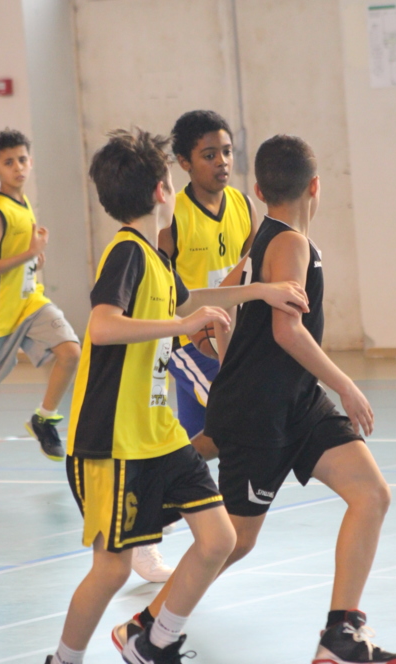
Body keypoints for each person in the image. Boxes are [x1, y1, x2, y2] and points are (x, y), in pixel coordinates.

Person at [114, 135, 396, 664]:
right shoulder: (290, 243)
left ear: (259, 190)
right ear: (315, 187)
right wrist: (346, 384)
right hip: (260, 411)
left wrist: (230, 359)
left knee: (371, 493)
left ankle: (340, 633)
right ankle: (146, 628)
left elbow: (224, 302)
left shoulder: (263, 239)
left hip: (296, 402)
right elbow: (285, 330)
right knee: (234, 539)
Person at [45, 128, 308, 664]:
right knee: (112, 569)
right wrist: (182, 325)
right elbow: (102, 326)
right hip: (113, 441)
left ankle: (153, 641)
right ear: (162, 190)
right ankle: (63, 660)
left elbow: (192, 298)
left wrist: (260, 291)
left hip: (160, 434)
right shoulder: (126, 253)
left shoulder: (156, 259)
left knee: (218, 539)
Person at [133, 109, 257, 583]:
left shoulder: (242, 205)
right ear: (184, 162)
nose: (221, 161)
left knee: (193, 445)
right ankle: (159, 523)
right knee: (236, 422)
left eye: (226, 152)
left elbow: (247, 269)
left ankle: (145, 521)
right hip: (189, 343)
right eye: (209, 155)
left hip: (228, 339)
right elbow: (159, 283)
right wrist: (190, 329)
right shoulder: (174, 219)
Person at [0, 129, 80, 461]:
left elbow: (18, 255)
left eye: (22, 159)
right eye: (8, 162)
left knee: (71, 352)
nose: (17, 167)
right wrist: (29, 252)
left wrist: (33, 259)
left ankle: (43, 418)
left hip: (30, 303)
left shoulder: (23, 202)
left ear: (30, 161)